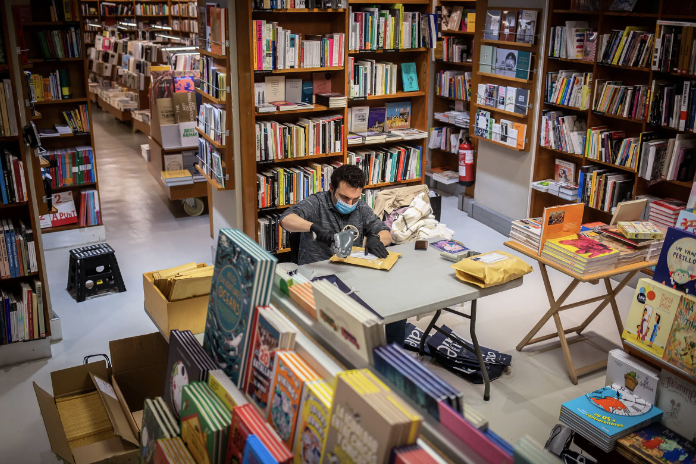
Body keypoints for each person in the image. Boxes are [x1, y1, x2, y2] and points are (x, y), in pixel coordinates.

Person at [280, 165, 406, 344]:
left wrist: (376, 239)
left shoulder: (360, 208)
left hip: (352, 276)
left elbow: (385, 232)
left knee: (398, 306)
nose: (349, 204)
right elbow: (285, 219)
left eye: (355, 198)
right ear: (332, 188)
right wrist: (312, 227)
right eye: (344, 197)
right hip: (318, 278)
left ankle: (394, 360)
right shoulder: (317, 203)